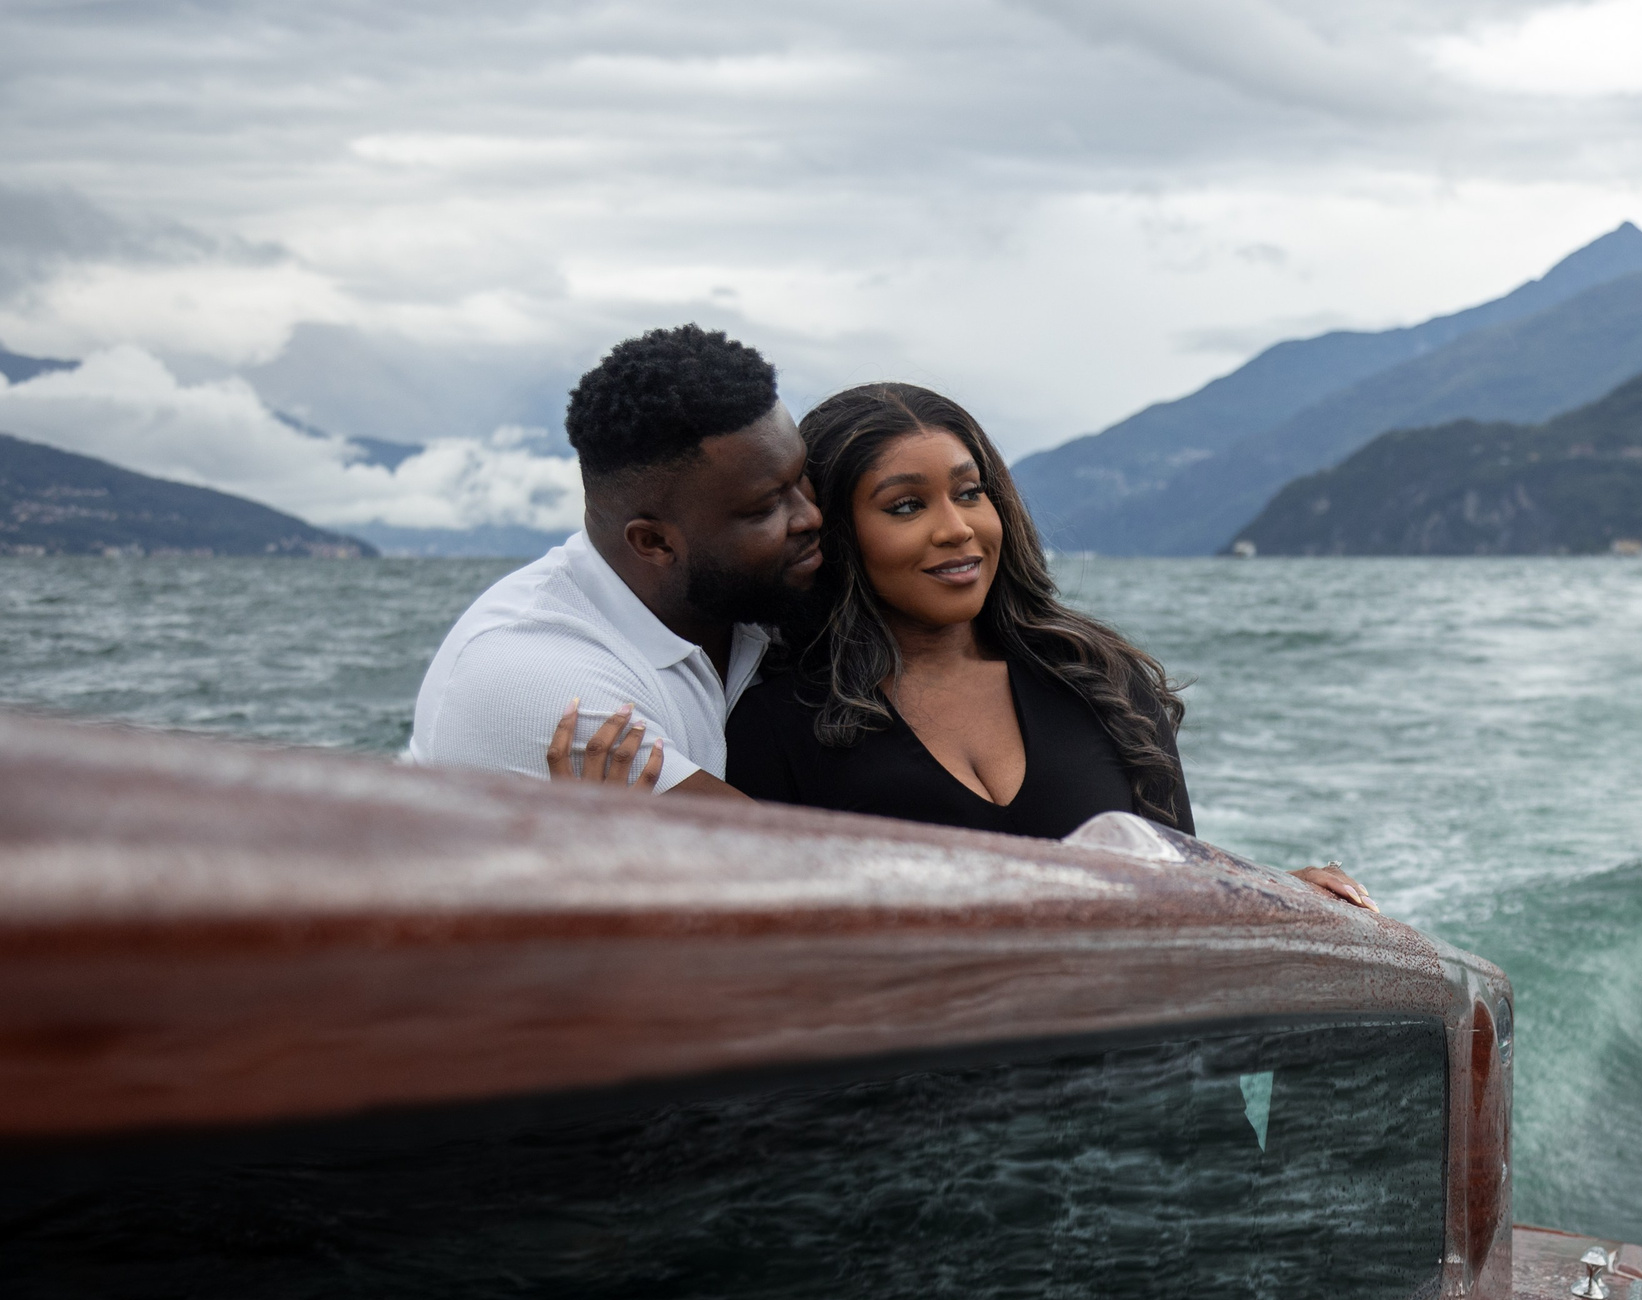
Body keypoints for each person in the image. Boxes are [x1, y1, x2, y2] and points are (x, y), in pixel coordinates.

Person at [725, 383, 1373, 909]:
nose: (957, 529)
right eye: (905, 506)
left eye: (970, 493)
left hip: (1118, 1067)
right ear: (834, 531)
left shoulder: (1098, 684)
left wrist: (1279, 895)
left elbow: (1181, 899)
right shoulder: (777, 727)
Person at [407, 325, 824, 798]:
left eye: (801, 477)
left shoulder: (746, 595)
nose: (810, 515)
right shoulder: (544, 685)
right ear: (653, 543)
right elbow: (785, 860)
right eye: (767, 507)